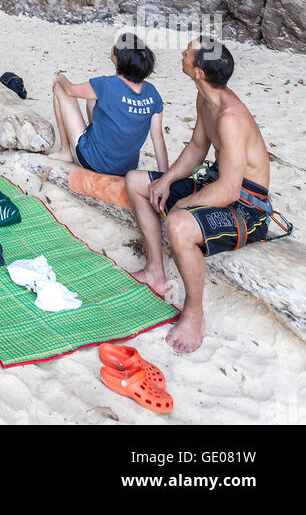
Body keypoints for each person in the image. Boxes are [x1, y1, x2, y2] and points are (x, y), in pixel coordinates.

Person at [126, 37, 277, 355]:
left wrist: (183, 203)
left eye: (188, 52)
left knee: (179, 224)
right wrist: (166, 180)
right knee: (138, 181)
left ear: (199, 72)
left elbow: (229, 190)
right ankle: (155, 271)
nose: (183, 52)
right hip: (219, 184)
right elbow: (197, 149)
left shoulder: (230, 118)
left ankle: (194, 314)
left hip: (247, 208)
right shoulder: (206, 99)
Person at [48, 32, 168, 178]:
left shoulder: (106, 84)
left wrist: (61, 77)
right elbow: (158, 137)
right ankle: (98, 139)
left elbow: (70, 90)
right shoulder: (152, 93)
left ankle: (66, 150)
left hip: (93, 161)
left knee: (60, 89)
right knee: (93, 97)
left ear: (117, 60)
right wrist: (164, 177)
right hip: (126, 169)